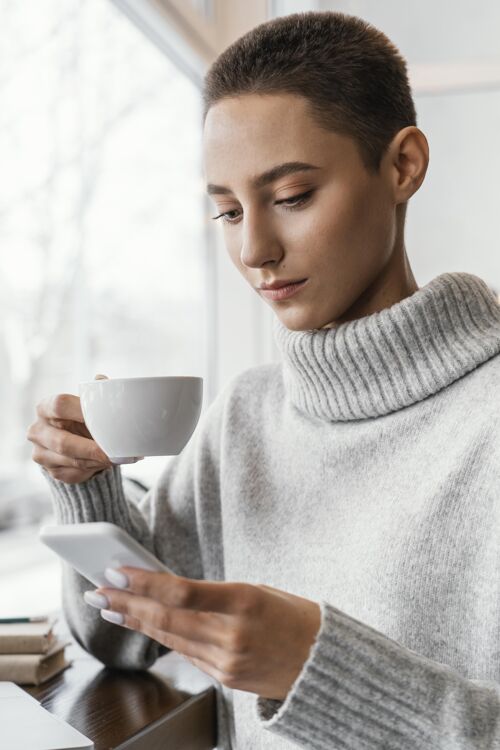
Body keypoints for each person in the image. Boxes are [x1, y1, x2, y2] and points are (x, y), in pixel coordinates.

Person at [26, 10, 500, 750]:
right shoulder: (245, 415)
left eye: (292, 197)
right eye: (226, 210)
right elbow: (125, 640)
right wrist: (88, 487)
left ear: (403, 165)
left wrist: (321, 667)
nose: (254, 248)